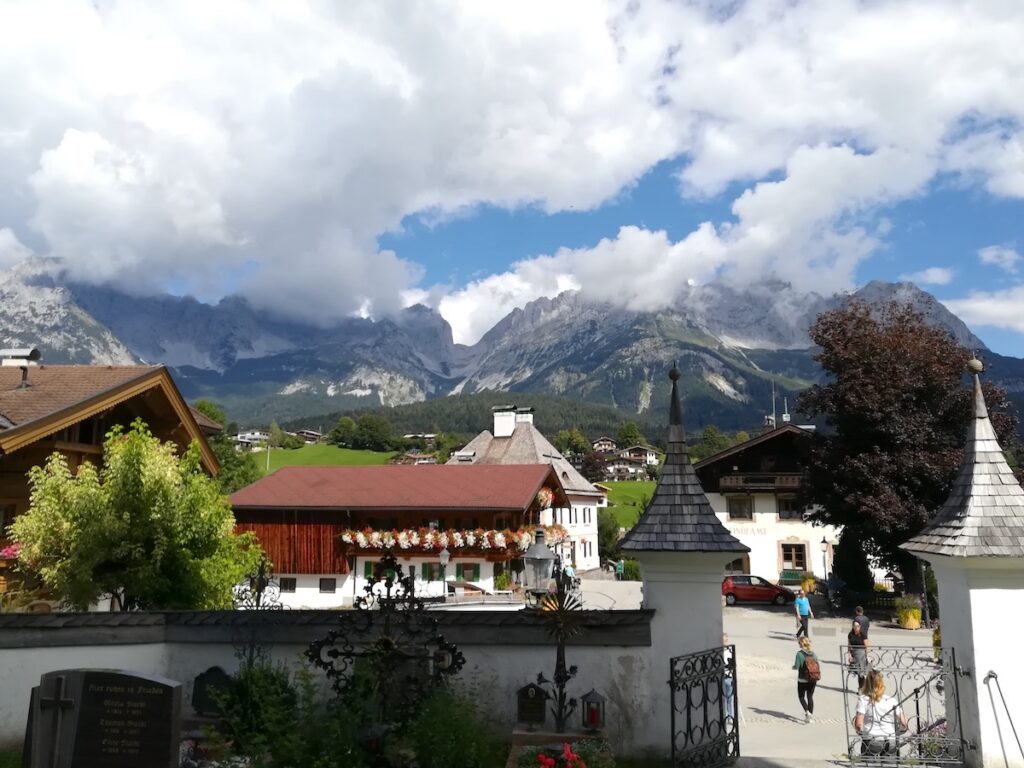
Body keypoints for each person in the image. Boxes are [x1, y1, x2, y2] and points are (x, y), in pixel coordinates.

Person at [854, 670, 909, 758]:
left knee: (869, 764)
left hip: (871, 739)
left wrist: (862, 732)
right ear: (882, 683)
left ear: (867, 684)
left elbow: (858, 724)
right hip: (889, 738)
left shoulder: (864, 700)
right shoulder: (891, 700)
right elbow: (904, 723)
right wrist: (898, 731)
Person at [792, 636, 819, 723]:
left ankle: (807, 712)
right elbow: (817, 664)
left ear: (802, 643)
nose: (798, 644)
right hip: (813, 678)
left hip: (802, 678)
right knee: (810, 697)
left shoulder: (799, 654)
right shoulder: (813, 653)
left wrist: (793, 667)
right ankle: (809, 717)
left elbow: (797, 666)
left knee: (801, 697)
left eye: (799, 643)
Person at [848, 619, 870, 690]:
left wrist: (867, 655)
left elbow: (867, 645)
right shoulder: (850, 634)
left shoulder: (863, 634)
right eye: (854, 626)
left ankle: (862, 689)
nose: (856, 627)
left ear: (860, 626)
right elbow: (849, 645)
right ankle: (862, 688)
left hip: (862, 654)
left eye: (857, 626)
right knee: (858, 672)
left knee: (862, 673)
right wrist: (849, 655)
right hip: (855, 654)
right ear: (852, 626)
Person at [722, 633, 735, 723]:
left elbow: (733, 664)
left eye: (727, 640)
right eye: (724, 640)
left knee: (730, 698)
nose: (726, 642)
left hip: (729, 677)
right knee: (723, 698)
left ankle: (731, 716)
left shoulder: (730, 651)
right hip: (722, 677)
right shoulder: (719, 651)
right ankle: (725, 716)